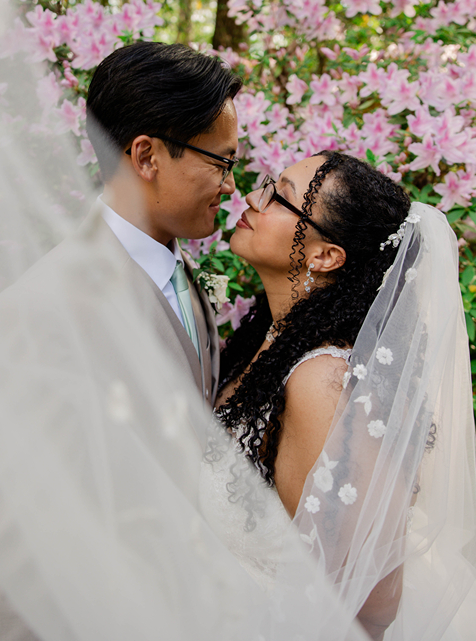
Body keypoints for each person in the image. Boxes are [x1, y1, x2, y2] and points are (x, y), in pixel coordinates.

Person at [0, 41, 242, 641]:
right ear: (146, 155)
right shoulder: (45, 309)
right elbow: (4, 534)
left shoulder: (186, 278)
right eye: (220, 162)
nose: (230, 185)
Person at [200, 151, 476, 640]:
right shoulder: (268, 336)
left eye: (278, 196)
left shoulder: (319, 381)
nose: (250, 198)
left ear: (325, 255)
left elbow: (370, 604)